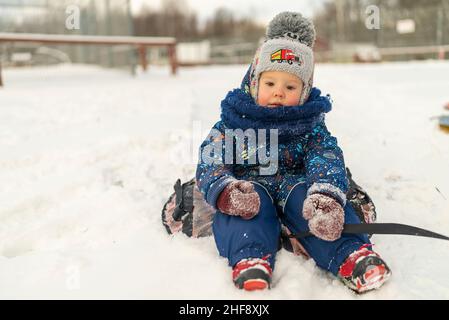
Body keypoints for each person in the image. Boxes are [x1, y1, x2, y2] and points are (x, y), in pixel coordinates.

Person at [195, 12, 391, 294]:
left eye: (290, 86)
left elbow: (326, 156)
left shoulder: (308, 124)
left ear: (304, 92)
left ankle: (352, 254)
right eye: (270, 84)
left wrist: (325, 194)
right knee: (246, 208)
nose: (278, 93)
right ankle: (250, 258)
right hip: (251, 185)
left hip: (293, 184)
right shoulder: (234, 120)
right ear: (254, 83)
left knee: (313, 206)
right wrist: (224, 190)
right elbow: (210, 157)